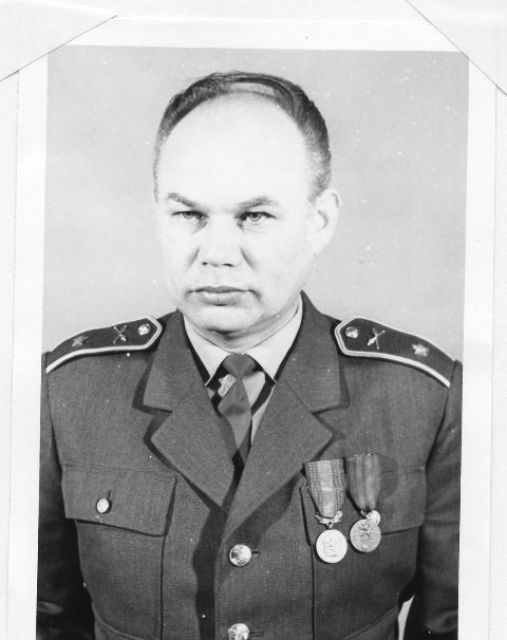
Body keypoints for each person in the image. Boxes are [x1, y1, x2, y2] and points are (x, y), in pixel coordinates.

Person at [37, 71, 461, 640]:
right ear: (156, 215)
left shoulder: (423, 399)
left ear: (320, 222)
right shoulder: (67, 393)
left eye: (254, 216)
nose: (216, 253)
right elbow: (37, 618)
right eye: (189, 214)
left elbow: (458, 623)